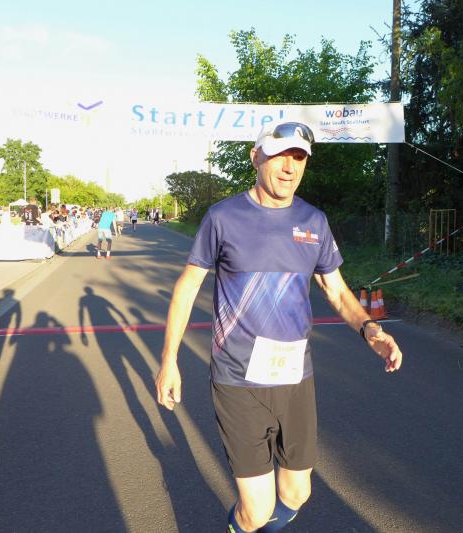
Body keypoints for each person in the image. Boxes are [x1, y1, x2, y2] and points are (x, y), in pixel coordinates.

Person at [155, 121, 403, 532]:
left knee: (296, 493)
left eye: (299, 158)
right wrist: (169, 361)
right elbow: (187, 288)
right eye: (280, 156)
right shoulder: (223, 217)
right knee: (256, 510)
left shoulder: (313, 221)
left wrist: (370, 330)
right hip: (239, 381)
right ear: (256, 157)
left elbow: (337, 291)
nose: (290, 167)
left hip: (295, 378)